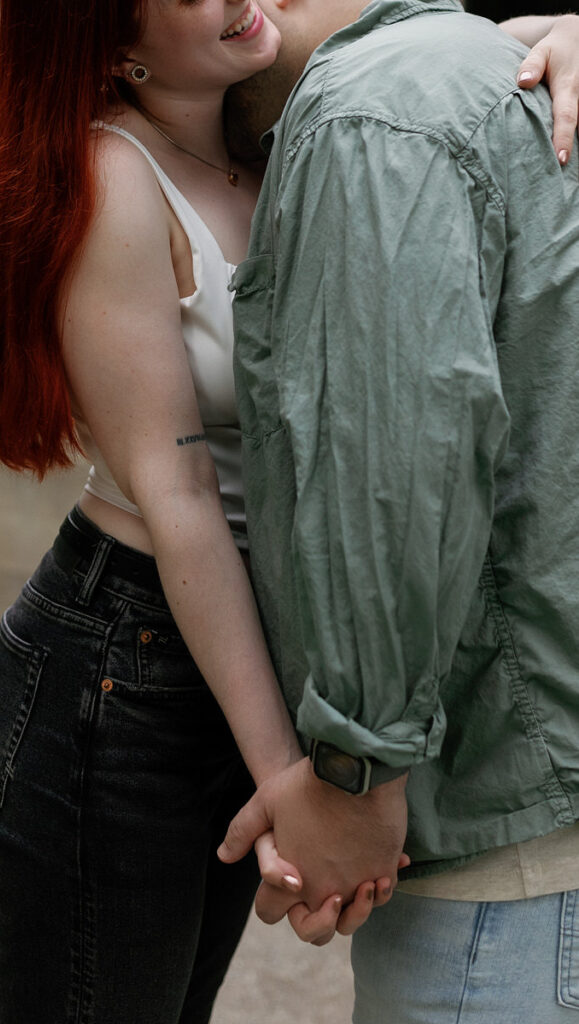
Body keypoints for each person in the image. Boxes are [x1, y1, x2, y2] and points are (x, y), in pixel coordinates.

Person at [0, 2, 575, 1022]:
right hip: (129, 657)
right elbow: (182, 497)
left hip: (242, 643)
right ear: (108, 43)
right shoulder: (114, 173)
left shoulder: (286, 136)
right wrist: (300, 778)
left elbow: (469, 63)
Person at [217, 0, 579, 1020]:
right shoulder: (496, 72)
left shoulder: (368, 112)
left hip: (502, 838)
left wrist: (354, 772)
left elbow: (393, 461)